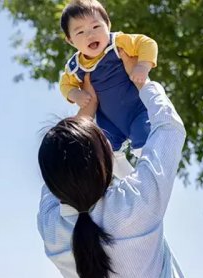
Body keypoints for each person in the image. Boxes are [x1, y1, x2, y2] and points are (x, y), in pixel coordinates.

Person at [37, 53, 186, 278]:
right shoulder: (135, 203)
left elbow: (57, 173)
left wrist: (87, 111)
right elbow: (169, 127)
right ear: (103, 162)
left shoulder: (53, 230)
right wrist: (142, 82)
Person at [58, 0, 158, 178]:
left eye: (96, 26)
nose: (90, 34)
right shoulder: (75, 66)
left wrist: (143, 65)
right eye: (80, 31)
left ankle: (147, 177)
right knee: (106, 151)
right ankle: (127, 178)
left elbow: (147, 43)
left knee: (144, 143)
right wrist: (75, 94)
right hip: (108, 120)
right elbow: (64, 84)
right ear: (70, 40)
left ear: (108, 25)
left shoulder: (118, 43)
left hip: (137, 110)